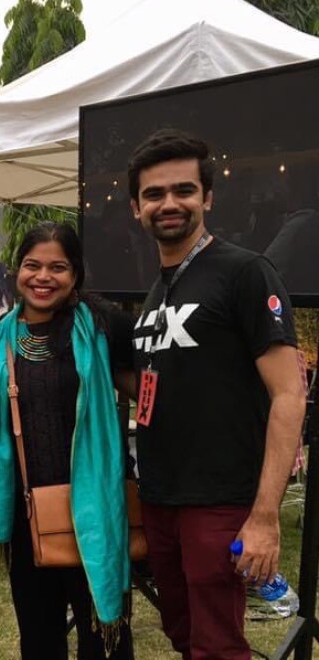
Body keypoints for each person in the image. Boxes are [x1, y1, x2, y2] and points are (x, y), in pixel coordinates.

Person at [128, 129, 306, 659]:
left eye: (183, 190)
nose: (169, 203)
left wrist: (265, 517)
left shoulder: (245, 272)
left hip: (222, 499)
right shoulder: (158, 290)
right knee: (183, 635)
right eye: (154, 194)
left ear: (206, 198)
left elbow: (289, 395)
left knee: (218, 645)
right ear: (137, 208)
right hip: (161, 498)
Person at [0, 222, 136, 659]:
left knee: (104, 637)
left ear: (75, 274)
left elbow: (150, 390)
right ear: (16, 270)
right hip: (28, 516)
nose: (43, 277)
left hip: (93, 511)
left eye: (57, 267)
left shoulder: (105, 328)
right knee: (39, 638)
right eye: (32, 265)